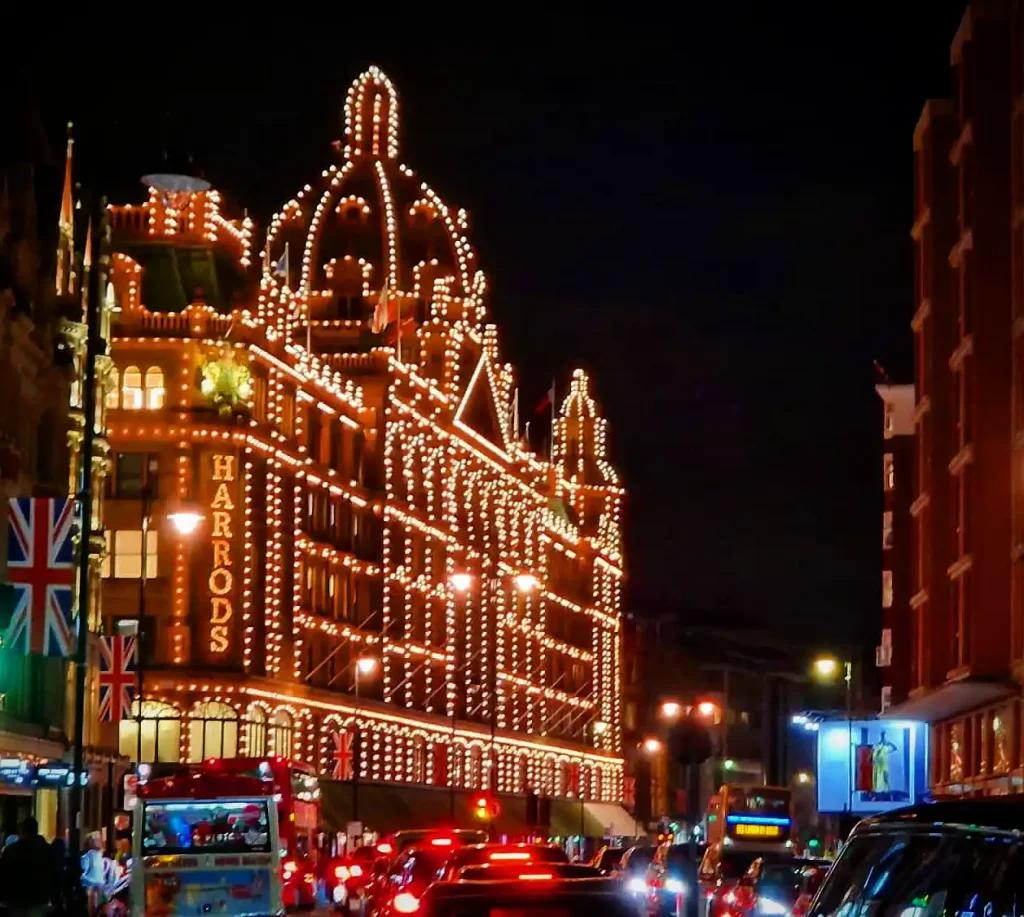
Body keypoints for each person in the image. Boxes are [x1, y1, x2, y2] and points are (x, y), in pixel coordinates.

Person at [0, 816, 58, 917]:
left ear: (22, 831)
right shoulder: (47, 850)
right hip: (40, 898)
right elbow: (54, 873)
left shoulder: (11, 850)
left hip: (16, 898)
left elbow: (4, 874)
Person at [80, 833, 105, 914]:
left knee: (100, 907)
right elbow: (84, 870)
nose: (100, 841)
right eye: (97, 839)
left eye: (99, 839)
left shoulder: (100, 855)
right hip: (92, 884)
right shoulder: (88, 856)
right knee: (92, 907)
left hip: (100, 883)